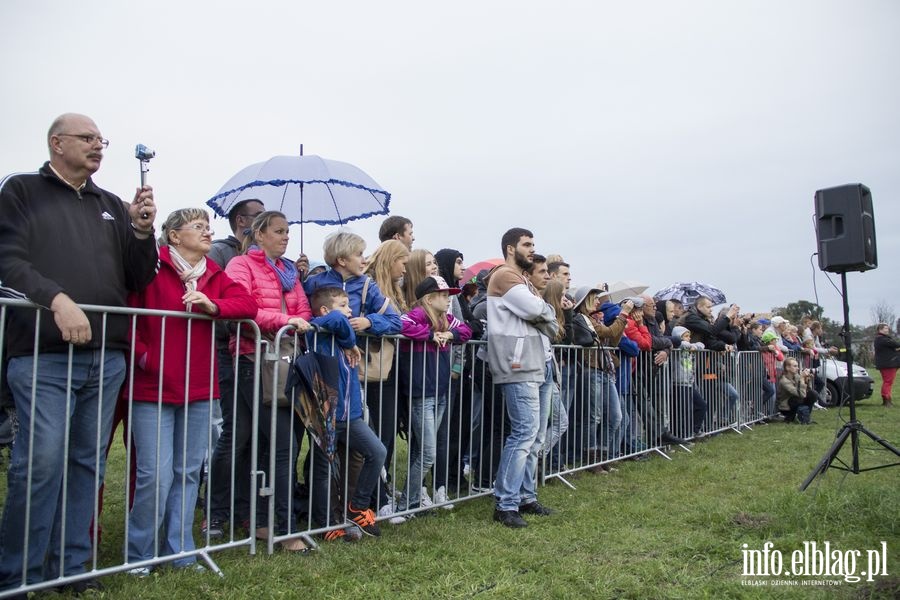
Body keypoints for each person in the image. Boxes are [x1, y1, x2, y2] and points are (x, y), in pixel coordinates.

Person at [0, 113, 158, 593]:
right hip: (43, 354)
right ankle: (21, 574)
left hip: (107, 355)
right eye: (87, 138)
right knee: (41, 462)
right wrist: (57, 299)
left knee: (87, 463)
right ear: (57, 142)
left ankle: (74, 568)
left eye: (101, 140)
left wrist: (139, 231)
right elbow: (7, 260)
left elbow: (139, 277)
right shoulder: (21, 190)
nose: (98, 146)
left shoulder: (109, 203)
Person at [126, 209, 256, 574]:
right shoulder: (151, 267)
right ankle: (140, 554)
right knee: (154, 473)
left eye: (207, 226)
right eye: (197, 226)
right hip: (152, 385)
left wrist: (213, 305)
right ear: (173, 235)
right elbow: (128, 315)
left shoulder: (213, 274)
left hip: (199, 385)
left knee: (187, 472)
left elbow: (247, 304)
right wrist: (144, 357)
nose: (207, 232)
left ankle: (180, 550)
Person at [225, 211, 313, 551]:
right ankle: (283, 527)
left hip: (285, 360)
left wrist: (290, 321)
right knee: (279, 443)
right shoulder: (240, 266)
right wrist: (285, 320)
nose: (286, 236)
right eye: (279, 231)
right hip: (252, 359)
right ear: (259, 235)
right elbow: (244, 308)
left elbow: (303, 310)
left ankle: (264, 521)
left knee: (274, 444)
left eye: (288, 231)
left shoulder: (289, 271)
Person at [304, 231, 399, 539]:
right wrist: (348, 337)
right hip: (325, 399)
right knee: (322, 466)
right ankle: (325, 523)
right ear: (342, 259)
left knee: (369, 453)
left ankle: (354, 510)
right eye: (360, 254)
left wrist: (370, 323)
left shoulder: (368, 286)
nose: (365, 258)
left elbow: (397, 322)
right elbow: (321, 320)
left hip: (352, 399)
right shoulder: (316, 286)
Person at [486, 228, 557, 528]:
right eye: (526, 245)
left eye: (533, 244)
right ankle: (505, 503)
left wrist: (544, 312)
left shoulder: (523, 280)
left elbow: (546, 316)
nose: (532, 249)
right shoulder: (505, 275)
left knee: (534, 436)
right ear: (510, 248)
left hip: (535, 362)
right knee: (525, 432)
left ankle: (526, 496)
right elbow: (535, 309)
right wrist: (544, 311)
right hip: (517, 365)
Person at [203, 197, 264, 538]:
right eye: (260, 217)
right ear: (242, 220)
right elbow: (224, 302)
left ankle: (245, 509)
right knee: (235, 434)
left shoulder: (269, 261)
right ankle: (214, 511)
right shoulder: (222, 254)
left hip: (261, 355)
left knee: (255, 436)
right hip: (228, 351)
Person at [397, 276, 472, 515]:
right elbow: (401, 324)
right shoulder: (418, 314)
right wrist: (430, 335)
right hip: (421, 394)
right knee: (427, 453)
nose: (448, 299)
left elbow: (466, 330)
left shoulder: (446, 319)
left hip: (439, 392)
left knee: (423, 451)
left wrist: (449, 335)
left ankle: (409, 503)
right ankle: (405, 505)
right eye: (442, 295)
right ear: (429, 298)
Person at [360, 240, 409, 520]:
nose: (404, 268)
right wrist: (374, 324)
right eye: (401, 262)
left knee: (387, 435)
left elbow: (399, 323)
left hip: (388, 370)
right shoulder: (367, 286)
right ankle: (373, 498)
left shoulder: (396, 290)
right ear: (390, 260)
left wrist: (377, 324)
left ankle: (383, 493)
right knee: (372, 437)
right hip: (365, 370)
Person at [777, 357, 817, 424]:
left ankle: (806, 416)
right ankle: (790, 417)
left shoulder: (796, 376)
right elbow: (801, 395)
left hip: (796, 400)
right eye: (795, 366)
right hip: (786, 406)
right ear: (787, 368)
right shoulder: (784, 381)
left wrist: (807, 380)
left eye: (797, 366)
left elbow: (808, 390)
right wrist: (801, 379)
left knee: (813, 394)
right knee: (796, 399)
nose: (798, 368)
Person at [874, 323, 899, 407]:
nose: (887, 330)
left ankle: (887, 400)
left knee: (888, 382)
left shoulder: (881, 339)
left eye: (887, 328)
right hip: (888, 364)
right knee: (888, 382)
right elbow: (896, 344)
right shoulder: (882, 339)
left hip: (887, 363)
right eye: (885, 328)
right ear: (880, 330)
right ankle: (887, 400)